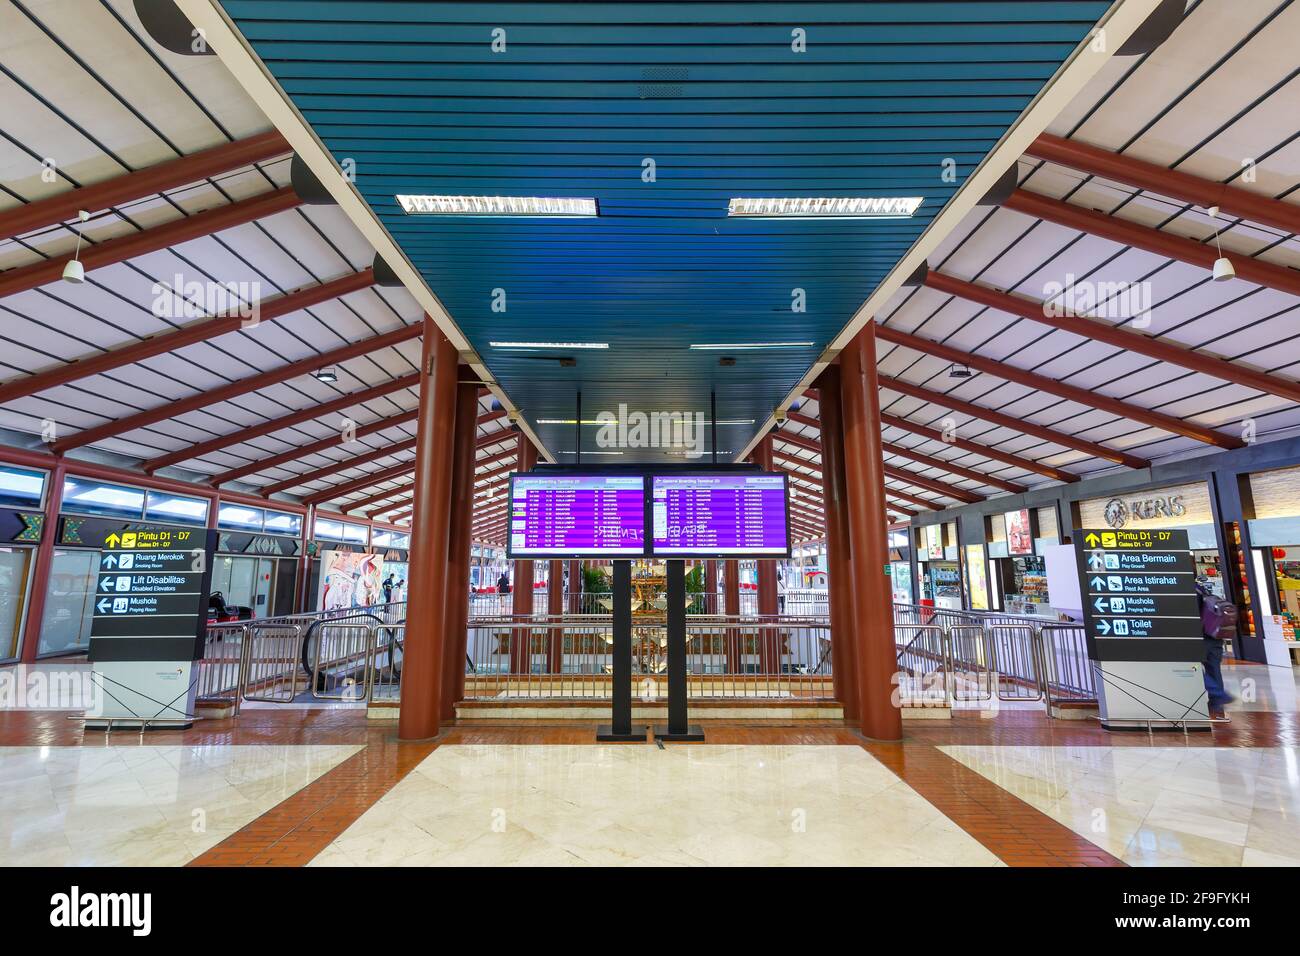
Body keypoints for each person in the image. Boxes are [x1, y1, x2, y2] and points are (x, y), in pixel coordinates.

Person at [1196, 581, 1237, 720]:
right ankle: (1216, 703)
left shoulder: (1187, 591)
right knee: (1213, 668)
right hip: (1215, 635)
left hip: (1202, 636)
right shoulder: (1202, 589)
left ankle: (1218, 694)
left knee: (1192, 666)